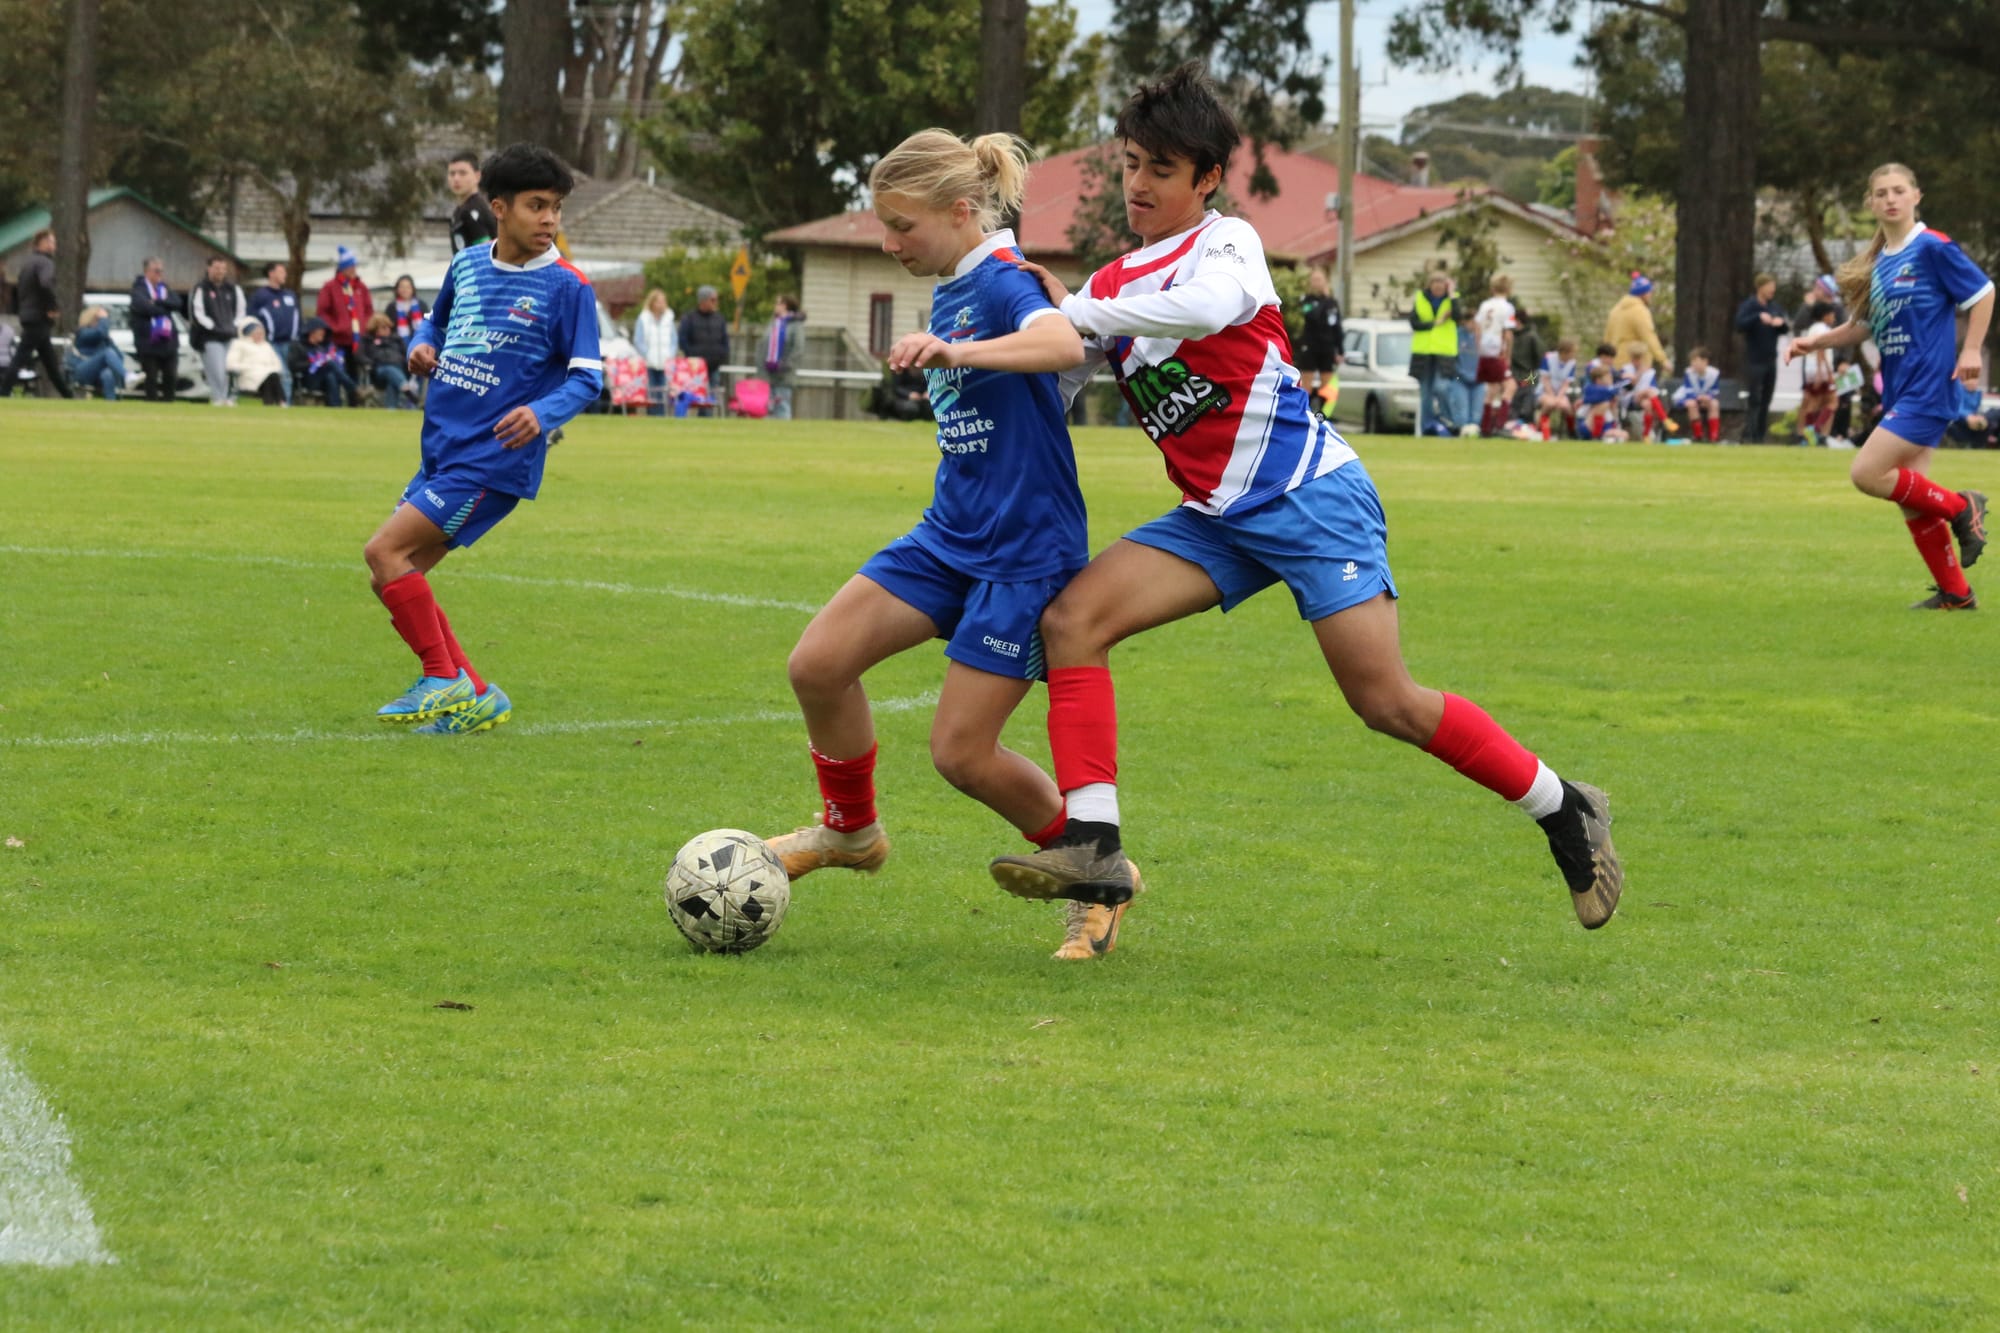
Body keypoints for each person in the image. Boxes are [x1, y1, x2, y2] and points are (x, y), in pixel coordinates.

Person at [989, 63, 1623, 936]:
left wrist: (1086, 318)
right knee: (1072, 622)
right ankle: (1095, 847)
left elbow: (1210, 308)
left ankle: (1564, 806)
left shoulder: (1227, 245)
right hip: (1216, 517)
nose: (1138, 184)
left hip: (1310, 497)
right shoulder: (1104, 287)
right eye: (1131, 164)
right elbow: (1054, 379)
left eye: (1161, 170)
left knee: (1385, 701)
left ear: (1207, 179)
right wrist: (987, 350)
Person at [759, 129, 1107, 958]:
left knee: (961, 753)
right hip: (949, 535)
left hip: (1024, 552)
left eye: (901, 225)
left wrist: (958, 348)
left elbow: (1063, 342)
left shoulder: (1004, 280)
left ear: (958, 211)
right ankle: (850, 831)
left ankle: (1098, 875)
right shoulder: (953, 282)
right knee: (817, 665)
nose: (889, 242)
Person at [363, 142, 602, 734]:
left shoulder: (568, 287)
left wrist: (542, 414)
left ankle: (441, 676)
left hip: (493, 460)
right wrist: (422, 345)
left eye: (556, 208)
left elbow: (587, 378)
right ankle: (474, 695)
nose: (549, 219)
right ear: (499, 207)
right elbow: (434, 323)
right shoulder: (467, 264)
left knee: (384, 553)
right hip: (444, 449)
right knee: (391, 573)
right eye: (536, 206)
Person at [1789, 162, 1993, 609]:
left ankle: (1963, 508)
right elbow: (1862, 326)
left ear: (1916, 195)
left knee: (1866, 473)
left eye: (1899, 190)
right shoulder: (1880, 261)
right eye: (1881, 193)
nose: (1891, 199)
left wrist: (1972, 350)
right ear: (1871, 203)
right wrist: (1815, 342)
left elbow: (1983, 293)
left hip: (1930, 385)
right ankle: (1957, 594)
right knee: (1913, 498)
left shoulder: (1933, 246)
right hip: (1900, 389)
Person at [1, 229, 72, 398]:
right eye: (51, 242)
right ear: (43, 243)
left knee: (50, 362)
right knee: (20, 357)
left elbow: (22, 289)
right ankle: (3, 392)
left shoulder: (28, 263)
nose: (54, 246)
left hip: (28, 315)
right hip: (39, 317)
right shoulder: (45, 263)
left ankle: (68, 395)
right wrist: (52, 306)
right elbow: (46, 284)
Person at [1734, 273, 1787, 443]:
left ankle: (1760, 436)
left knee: (1766, 399)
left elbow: (1785, 328)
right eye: (1769, 287)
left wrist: (1780, 323)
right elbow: (1739, 324)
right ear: (1760, 287)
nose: (1772, 290)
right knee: (1755, 398)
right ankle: (1749, 434)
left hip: (1771, 359)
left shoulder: (1774, 307)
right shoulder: (1750, 306)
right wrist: (1757, 318)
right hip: (1754, 359)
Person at [189, 255, 244, 406]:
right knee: (216, 369)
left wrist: (232, 327)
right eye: (216, 268)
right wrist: (214, 328)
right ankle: (218, 397)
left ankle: (227, 398)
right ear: (209, 268)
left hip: (229, 335)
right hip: (210, 337)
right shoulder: (201, 288)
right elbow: (198, 314)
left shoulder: (233, 289)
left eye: (223, 269)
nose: (220, 271)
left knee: (228, 368)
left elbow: (240, 311)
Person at [1406, 269, 1456, 436]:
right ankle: (1428, 427)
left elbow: (1459, 316)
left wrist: (1453, 295)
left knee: (1441, 387)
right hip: (1423, 352)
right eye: (1435, 283)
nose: (1438, 286)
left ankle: (1448, 421)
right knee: (1425, 393)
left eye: (1441, 283)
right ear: (1430, 285)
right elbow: (1414, 323)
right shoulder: (1421, 298)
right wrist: (1435, 323)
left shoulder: (1452, 299)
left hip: (1444, 352)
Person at [246, 262, 302, 404]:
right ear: (271, 274)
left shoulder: (290, 295)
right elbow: (250, 318)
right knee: (284, 374)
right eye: (281, 271)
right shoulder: (260, 295)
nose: (285, 275)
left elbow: (297, 317)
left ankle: (278, 402)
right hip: (271, 343)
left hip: (289, 343)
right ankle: (284, 404)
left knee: (284, 374)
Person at [128, 257, 182, 402]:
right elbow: (144, 308)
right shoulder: (139, 289)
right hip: (148, 341)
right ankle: (152, 403)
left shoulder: (164, 288)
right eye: (156, 271)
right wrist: (165, 309)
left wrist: (158, 301)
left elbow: (177, 303)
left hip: (168, 341)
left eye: (161, 271)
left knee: (171, 375)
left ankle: (169, 402)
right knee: (151, 376)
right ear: (147, 271)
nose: (160, 274)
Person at [316, 247, 374, 375]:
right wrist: (336, 327)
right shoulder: (330, 287)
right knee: (340, 373)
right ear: (342, 268)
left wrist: (364, 325)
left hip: (359, 339)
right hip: (338, 340)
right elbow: (322, 312)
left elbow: (369, 310)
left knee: (356, 372)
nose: (353, 270)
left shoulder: (361, 287)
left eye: (354, 266)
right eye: (350, 267)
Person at [1473, 273, 1518, 436]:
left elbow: (1477, 328)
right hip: (1497, 350)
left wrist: (1479, 348)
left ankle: (1485, 427)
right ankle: (1500, 425)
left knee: (1492, 388)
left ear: (1492, 288)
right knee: (1511, 386)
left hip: (1484, 350)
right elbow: (1507, 333)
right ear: (1509, 289)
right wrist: (1508, 355)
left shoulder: (1485, 305)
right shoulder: (1507, 307)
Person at [677, 285, 731, 416]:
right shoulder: (689, 318)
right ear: (703, 300)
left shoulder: (719, 319)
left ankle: (707, 419)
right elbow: (683, 340)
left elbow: (725, 340)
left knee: (710, 399)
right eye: (713, 300)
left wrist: (721, 355)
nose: (715, 303)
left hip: (714, 367)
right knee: (695, 397)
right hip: (695, 369)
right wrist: (693, 356)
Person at [1604, 273, 1670, 377]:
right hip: (1635, 363)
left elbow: (1607, 338)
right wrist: (1663, 360)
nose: (1650, 295)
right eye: (1649, 292)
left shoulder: (1615, 310)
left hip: (1615, 363)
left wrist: (1605, 360)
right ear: (1643, 293)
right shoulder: (1640, 311)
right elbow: (1649, 337)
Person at [1297, 267, 1343, 409]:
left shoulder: (1332, 302)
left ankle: (1323, 416)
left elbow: (1336, 326)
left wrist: (1340, 350)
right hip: (1310, 346)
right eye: (1314, 280)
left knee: (1327, 386)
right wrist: (1325, 300)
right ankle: (1304, 413)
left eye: (1319, 279)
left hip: (1327, 347)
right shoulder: (1306, 300)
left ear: (1326, 281)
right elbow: (1313, 315)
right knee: (1306, 386)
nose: (1316, 283)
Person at [1794, 308, 1838, 446]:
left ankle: (1806, 437)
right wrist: (1827, 373)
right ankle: (1815, 429)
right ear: (1825, 315)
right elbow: (1821, 350)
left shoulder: (1812, 328)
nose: (1834, 318)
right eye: (1832, 315)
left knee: (1813, 403)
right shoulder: (1823, 329)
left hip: (1810, 370)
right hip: (1821, 371)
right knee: (1833, 402)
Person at [66, 305, 126, 399]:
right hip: (81, 371)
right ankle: (127, 377)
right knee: (107, 352)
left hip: (98, 374)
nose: (102, 323)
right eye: (99, 320)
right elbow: (99, 334)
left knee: (108, 374)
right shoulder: (83, 333)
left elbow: (119, 357)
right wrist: (104, 319)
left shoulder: (105, 338)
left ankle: (111, 403)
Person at [293, 318, 357, 406]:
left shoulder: (325, 346)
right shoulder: (299, 346)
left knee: (330, 375)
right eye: (320, 332)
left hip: (325, 379)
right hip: (309, 379)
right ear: (312, 332)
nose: (323, 334)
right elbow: (294, 365)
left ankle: (335, 406)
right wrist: (315, 363)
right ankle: (353, 388)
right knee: (329, 363)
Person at [633, 288, 675, 417]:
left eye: (663, 302)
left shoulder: (669, 318)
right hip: (649, 363)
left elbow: (673, 340)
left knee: (663, 391)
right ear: (652, 303)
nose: (661, 305)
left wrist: (670, 355)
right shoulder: (644, 318)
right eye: (659, 302)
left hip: (664, 362)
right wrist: (647, 354)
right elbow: (638, 340)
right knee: (651, 391)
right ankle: (651, 415)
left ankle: (661, 416)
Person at [225, 316, 287, 405]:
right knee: (270, 377)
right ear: (248, 333)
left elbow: (277, 363)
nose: (260, 336)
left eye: (261, 333)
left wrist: (271, 369)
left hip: (269, 374)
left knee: (273, 376)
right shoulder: (238, 344)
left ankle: (279, 402)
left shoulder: (266, 346)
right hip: (248, 376)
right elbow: (230, 364)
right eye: (256, 333)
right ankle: (277, 402)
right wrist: (250, 367)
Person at [359, 313, 415, 408]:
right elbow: (359, 355)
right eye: (384, 327)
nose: (388, 329)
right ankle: (407, 390)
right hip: (378, 372)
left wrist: (405, 362)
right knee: (389, 370)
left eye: (389, 327)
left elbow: (407, 354)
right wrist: (370, 363)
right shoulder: (367, 340)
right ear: (376, 329)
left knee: (392, 380)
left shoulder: (397, 339)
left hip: (400, 369)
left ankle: (391, 409)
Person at [447, 150, 498, 254]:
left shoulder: (474, 210)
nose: (456, 178)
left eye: (462, 173)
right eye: (452, 174)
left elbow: (485, 253)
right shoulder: (460, 210)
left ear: (477, 176)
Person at [763, 295, 802, 419]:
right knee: (769, 407)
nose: (775, 306)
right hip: (769, 372)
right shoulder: (774, 323)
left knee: (782, 405)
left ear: (785, 306)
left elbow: (798, 349)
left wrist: (785, 365)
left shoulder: (795, 325)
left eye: (778, 303)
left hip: (784, 374)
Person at [1673, 346, 1723, 442]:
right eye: (1692, 361)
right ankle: (1698, 436)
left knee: (1714, 403)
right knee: (1692, 404)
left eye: (1696, 361)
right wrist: (1698, 398)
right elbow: (1688, 390)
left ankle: (1714, 436)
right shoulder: (1689, 373)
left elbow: (1714, 391)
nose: (1694, 364)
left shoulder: (1714, 374)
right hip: (1688, 398)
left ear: (1705, 361)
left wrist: (1708, 397)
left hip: (1704, 399)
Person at [1536, 336, 1579, 439]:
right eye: (1571, 352)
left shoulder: (1572, 363)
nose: (1573, 355)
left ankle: (1572, 432)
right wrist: (1552, 396)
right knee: (1549, 404)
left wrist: (1558, 397)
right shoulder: (1548, 358)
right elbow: (1545, 380)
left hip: (1560, 393)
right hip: (1545, 391)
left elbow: (1566, 383)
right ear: (1564, 352)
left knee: (1566, 407)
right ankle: (1541, 430)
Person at [868, 363, 933, 421]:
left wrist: (928, 392)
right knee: (911, 408)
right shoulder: (900, 371)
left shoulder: (925, 371)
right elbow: (896, 387)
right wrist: (909, 394)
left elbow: (930, 384)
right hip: (903, 399)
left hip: (922, 398)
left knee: (930, 407)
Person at [1579, 362, 1624, 441]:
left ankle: (1604, 436)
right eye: (1608, 377)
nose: (1611, 379)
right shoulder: (1590, 388)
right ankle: (1596, 436)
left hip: (1606, 423)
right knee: (1604, 404)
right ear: (1598, 380)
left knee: (1624, 435)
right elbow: (1602, 394)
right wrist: (1612, 392)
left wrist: (1613, 404)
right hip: (1587, 424)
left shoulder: (1610, 390)